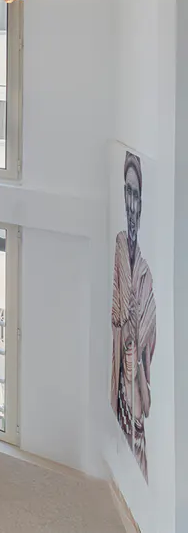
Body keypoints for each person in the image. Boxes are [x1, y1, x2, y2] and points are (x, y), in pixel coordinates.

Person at [111, 150, 155, 478]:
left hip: (135, 401)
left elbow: (146, 362)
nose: (130, 202)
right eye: (127, 192)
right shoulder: (118, 247)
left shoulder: (145, 275)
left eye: (135, 194)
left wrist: (135, 361)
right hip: (120, 394)